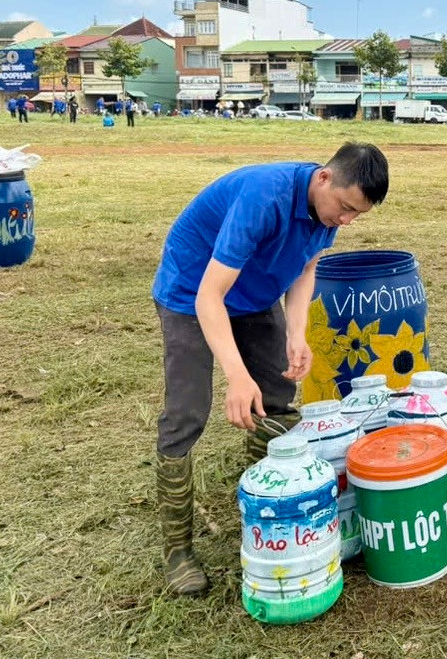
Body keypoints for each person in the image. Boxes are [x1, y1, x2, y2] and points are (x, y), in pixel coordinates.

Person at [149, 142, 388, 594]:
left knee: (277, 397)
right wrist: (236, 376)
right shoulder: (265, 197)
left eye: (358, 214)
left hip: (254, 297)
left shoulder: (327, 212)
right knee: (187, 413)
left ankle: (261, 504)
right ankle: (177, 550)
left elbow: (304, 270)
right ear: (323, 178)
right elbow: (208, 298)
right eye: (345, 207)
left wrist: (296, 333)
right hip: (191, 295)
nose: (347, 220)